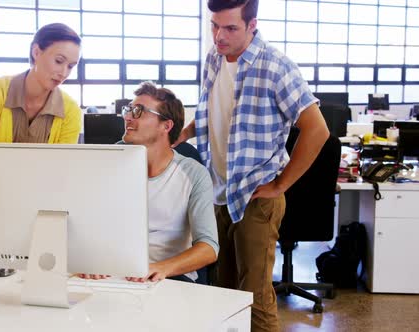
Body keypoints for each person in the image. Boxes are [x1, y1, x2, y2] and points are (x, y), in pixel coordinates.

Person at [173, 1, 329, 331]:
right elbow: (210, 110)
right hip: (220, 191)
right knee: (226, 296)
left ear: (252, 25)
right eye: (214, 25)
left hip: (257, 196)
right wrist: (184, 132)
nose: (218, 36)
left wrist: (280, 185)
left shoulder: (276, 67)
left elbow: (318, 130)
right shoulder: (214, 58)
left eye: (230, 28)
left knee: (255, 299)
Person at [80, 82, 219, 283]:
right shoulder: (109, 162)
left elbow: (208, 247)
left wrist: (159, 268)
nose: (127, 117)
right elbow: (86, 224)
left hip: (168, 276)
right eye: (129, 110)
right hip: (113, 271)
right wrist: (90, 259)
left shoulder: (194, 174)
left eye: (139, 111)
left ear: (166, 125)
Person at [0, 23, 82, 248]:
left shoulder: (70, 110)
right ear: (36, 52)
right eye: (59, 61)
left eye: (71, 66)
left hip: (42, 210)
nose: (64, 73)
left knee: (36, 278)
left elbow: (60, 169)